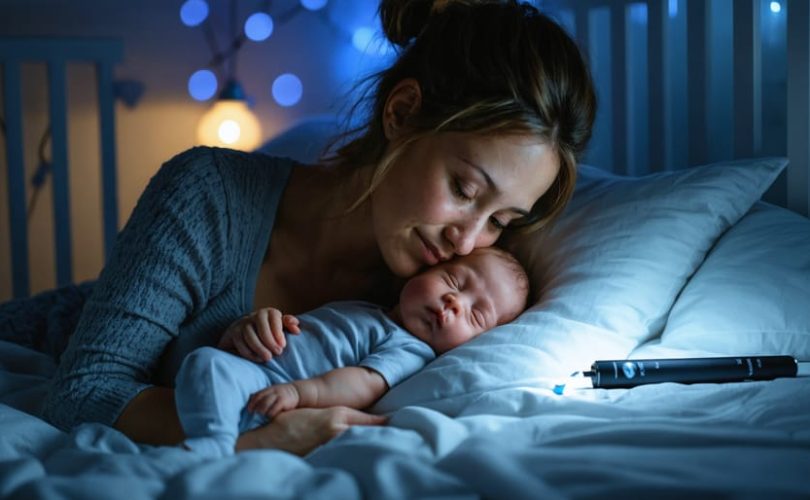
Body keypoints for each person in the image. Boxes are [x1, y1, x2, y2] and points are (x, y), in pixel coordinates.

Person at [2, 0, 595, 455]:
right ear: (402, 113)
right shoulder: (209, 195)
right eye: (464, 190)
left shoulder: (442, 304)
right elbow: (82, 393)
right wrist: (264, 436)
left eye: (501, 221)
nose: (465, 241)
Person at [176, 246, 529, 458]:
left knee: (208, 368)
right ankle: (212, 439)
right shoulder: (369, 309)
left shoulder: (411, 350)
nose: (454, 302)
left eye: (475, 314)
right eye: (453, 281)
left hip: (279, 397)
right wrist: (256, 327)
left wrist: (299, 392)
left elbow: (363, 383)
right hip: (256, 372)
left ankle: (215, 444)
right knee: (205, 362)